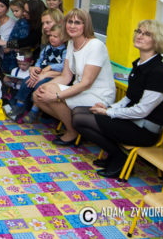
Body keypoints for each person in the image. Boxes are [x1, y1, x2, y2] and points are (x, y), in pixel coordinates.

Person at [73, 20, 163, 178]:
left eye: (147, 34)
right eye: (139, 31)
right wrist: (108, 108)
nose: (140, 36)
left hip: (143, 131)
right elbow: (128, 99)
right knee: (78, 111)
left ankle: (120, 157)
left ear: (158, 41)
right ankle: (115, 155)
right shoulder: (140, 65)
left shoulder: (158, 73)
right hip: (132, 122)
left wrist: (108, 113)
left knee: (80, 119)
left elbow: (142, 111)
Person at [33, 8, 115, 146]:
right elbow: (66, 76)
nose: (72, 26)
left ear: (86, 25)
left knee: (51, 93)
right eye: (69, 22)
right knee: (38, 95)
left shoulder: (96, 45)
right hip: (81, 89)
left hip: (98, 94)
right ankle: (77, 127)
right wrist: (44, 87)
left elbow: (86, 83)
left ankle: (72, 132)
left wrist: (56, 95)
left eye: (77, 22)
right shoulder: (71, 43)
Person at [6, 24, 67, 123]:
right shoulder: (47, 48)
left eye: (55, 36)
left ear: (64, 38)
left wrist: (51, 67)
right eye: (50, 36)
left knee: (39, 86)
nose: (52, 38)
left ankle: (34, 111)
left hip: (53, 75)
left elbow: (63, 65)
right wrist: (37, 67)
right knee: (26, 81)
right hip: (41, 72)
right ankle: (19, 105)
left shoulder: (64, 51)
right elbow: (40, 59)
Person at [0, 0, 47, 73]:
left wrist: (7, 44)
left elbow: (27, 41)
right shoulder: (31, 21)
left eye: (27, 12)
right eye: (24, 10)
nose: (24, 13)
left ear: (34, 13)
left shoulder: (41, 25)